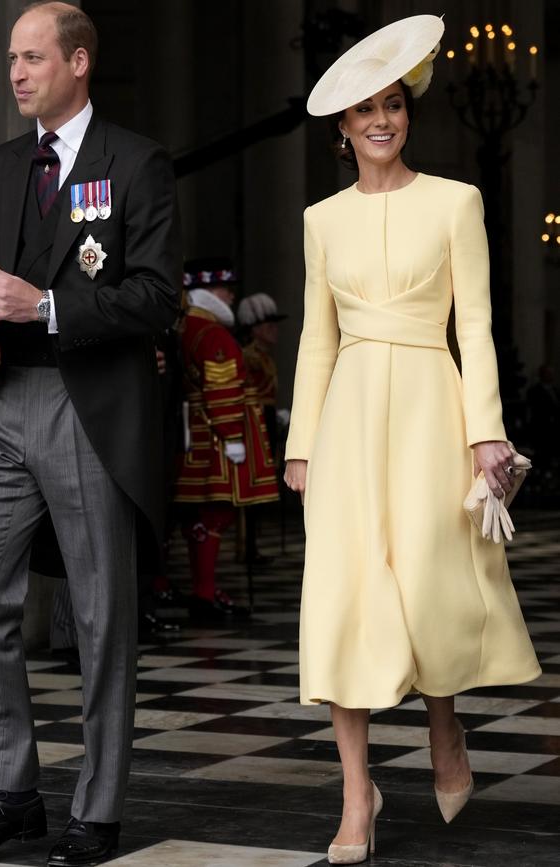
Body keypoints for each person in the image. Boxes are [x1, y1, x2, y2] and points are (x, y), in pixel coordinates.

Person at [283, 15, 540, 865]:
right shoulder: (322, 221)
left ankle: (445, 726)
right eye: (366, 110)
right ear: (343, 129)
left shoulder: (455, 203)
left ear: (406, 113)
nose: (383, 120)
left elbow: (479, 324)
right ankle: (357, 793)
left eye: (394, 104)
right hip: (349, 416)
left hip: (433, 405)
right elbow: (317, 338)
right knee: (343, 594)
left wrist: (485, 435)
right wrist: (301, 442)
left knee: (432, 580)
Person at [0, 3, 180, 865]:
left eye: (33, 57)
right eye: (10, 58)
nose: (16, 73)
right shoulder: (3, 167)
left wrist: (46, 304)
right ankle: (12, 791)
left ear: (79, 62)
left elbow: (156, 296)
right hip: (5, 406)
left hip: (90, 403)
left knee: (102, 611)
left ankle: (98, 810)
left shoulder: (137, 163)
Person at [174, 259, 279, 621]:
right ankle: (204, 593)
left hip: (196, 432)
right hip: (215, 438)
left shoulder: (187, 327)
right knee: (216, 513)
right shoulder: (212, 333)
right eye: (225, 288)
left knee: (198, 517)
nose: (230, 295)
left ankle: (203, 589)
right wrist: (233, 436)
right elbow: (222, 388)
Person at [237, 292, 287, 458]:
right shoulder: (248, 357)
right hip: (254, 422)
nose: (274, 329)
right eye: (268, 324)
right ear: (254, 329)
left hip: (268, 419)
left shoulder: (266, 357)